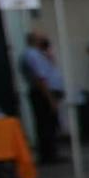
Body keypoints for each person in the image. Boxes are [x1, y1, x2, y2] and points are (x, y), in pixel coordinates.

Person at [19, 31, 65, 164]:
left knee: (51, 123)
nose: (46, 41)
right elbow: (41, 78)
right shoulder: (32, 55)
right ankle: (47, 155)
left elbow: (51, 69)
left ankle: (52, 152)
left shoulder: (40, 54)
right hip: (43, 93)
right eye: (43, 39)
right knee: (46, 124)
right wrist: (50, 99)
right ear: (35, 41)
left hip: (49, 92)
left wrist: (49, 54)